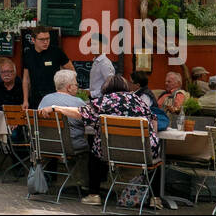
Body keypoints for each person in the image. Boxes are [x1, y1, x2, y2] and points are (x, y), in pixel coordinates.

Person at [42, 73, 160, 207]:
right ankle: (155, 199)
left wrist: (55, 107)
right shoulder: (139, 101)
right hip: (142, 154)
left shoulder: (103, 102)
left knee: (94, 151)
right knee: (157, 160)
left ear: (106, 89)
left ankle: (94, 195)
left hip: (111, 153)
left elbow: (79, 113)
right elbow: (154, 122)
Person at [38, 69, 89, 154]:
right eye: (76, 85)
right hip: (70, 146)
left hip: (45, 144)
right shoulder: (78, 102)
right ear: (69, 87)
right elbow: (89, 124)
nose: (77, 87)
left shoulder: (45, 99)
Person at [22, 26, 68, 108]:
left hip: (54, 97)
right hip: (35, 97)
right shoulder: (28, 54)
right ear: (33, 40)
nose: (45, 42)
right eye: (42, 39)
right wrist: (25, 100)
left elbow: (71, 70)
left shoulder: (56, 52)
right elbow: (26, 79)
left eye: (48, 39)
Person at [88, 34, 115, 99]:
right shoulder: (96, 61)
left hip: (101, 99)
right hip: (94, 98)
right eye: (91, 44)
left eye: (95, 44)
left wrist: (92, 93)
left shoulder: (105, 63)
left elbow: (111, 85)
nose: (92, 47)